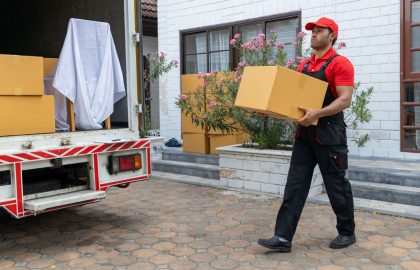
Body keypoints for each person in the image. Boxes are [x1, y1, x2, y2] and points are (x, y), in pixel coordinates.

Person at [258, 17, 356, 253]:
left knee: (336, 185)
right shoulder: (304, 66)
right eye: (312, 31)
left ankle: (347, 232)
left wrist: (318, 114)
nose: (313, 34)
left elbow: (345, 99)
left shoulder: (340, 64)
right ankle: (282, 238)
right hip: (304, 134)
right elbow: (294, 100)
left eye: (319, 31)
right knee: (295, 185)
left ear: (332, 35)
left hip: (330, 134)